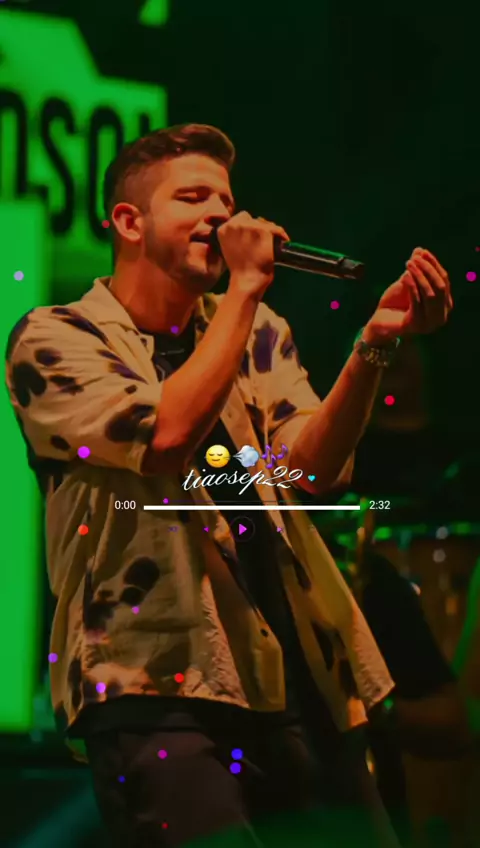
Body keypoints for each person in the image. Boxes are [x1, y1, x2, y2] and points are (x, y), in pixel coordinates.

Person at [5, 123, 452, 848]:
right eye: (192, 197)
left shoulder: (257, 328)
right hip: (155, 684)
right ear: (129, 222)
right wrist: (244, 288)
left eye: (226, 198)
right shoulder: (55, 337)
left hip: (294, 669)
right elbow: (164, 439)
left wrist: (372, 345)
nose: (221, 213)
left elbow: (312, 473)